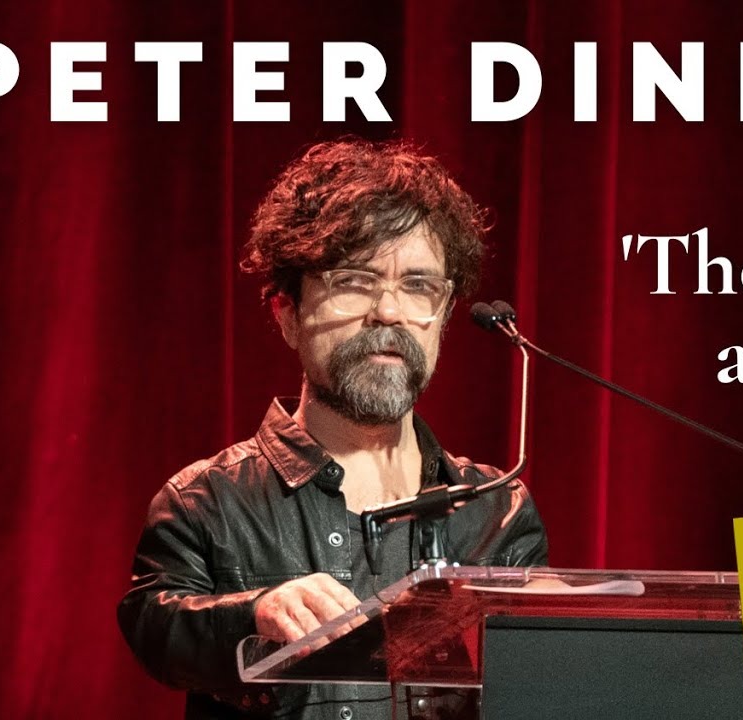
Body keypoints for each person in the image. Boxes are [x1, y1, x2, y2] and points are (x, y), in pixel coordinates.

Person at [117, 138, 549, 719]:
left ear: (444, 316)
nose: (389, 312)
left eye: (418, 286)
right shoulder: (206, 502)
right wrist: (257, 612)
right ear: (287, 313)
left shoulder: (497, 511)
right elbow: (156, 626)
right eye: (354, 281)